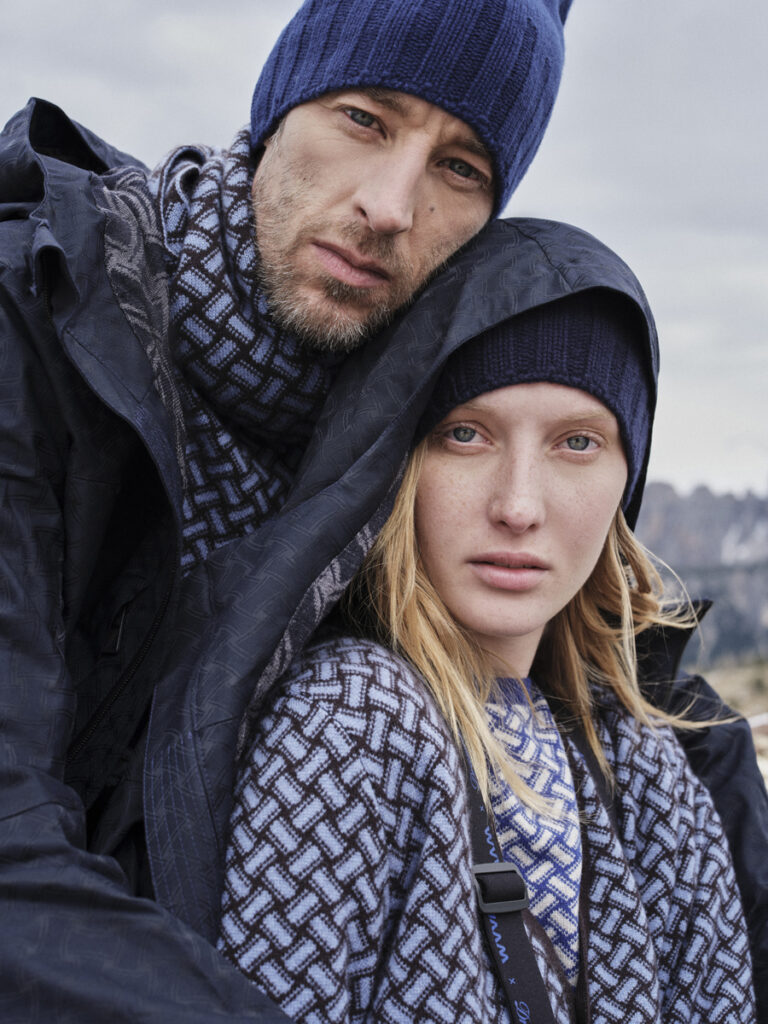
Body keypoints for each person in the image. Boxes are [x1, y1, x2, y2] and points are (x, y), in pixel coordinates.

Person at [0, 2, 575, 1020]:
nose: (390, 206)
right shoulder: (35, 316)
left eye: (460, 169)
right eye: (364, 119)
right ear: (278, 107)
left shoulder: (414, 418)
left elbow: (606, 654)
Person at [212, 219, 767, 1021]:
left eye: (577, 443)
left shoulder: (649, 768)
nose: (517, 506)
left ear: (626, 480)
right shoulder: (350, 721)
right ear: (400, 461)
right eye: (466, 434)